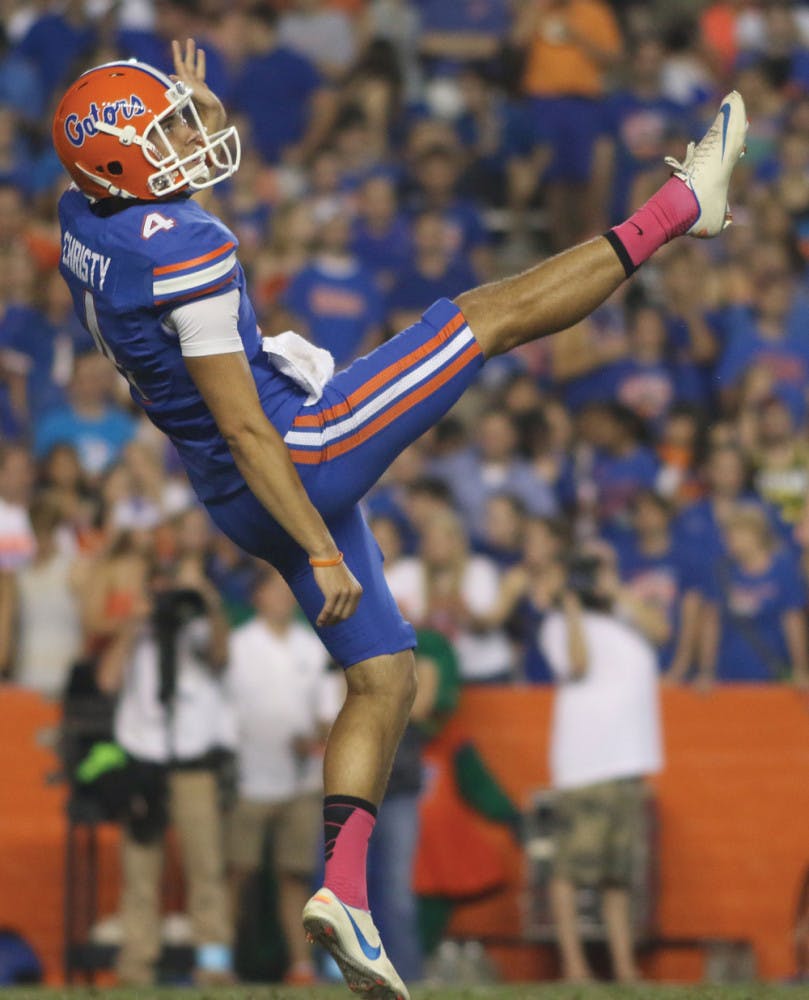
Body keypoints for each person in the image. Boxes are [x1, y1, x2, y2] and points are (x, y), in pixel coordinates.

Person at [51, 38, 746, 999]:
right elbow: (249, 426)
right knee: (480, 317)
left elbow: (157, 211)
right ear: (122, 164)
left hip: (229, 494)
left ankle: (343, 892)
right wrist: (321, 548)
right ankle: (678, 211)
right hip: (296, 457)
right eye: (165, 130)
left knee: (385, 676)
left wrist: (194, 117)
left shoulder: (83, 217)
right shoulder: (187, 254)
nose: (190, 137)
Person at [540, 551, 664, 983]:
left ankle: (624, 969)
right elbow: (577, 663)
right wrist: (571, 607)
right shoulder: (556, 626)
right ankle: (574, 967)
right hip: (584, 764)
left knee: (619, 876)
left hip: (628, 761)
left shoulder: (626, 621)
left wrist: (618, 593)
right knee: (571, 872)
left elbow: (662, 630)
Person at [224, 565, 339, 986]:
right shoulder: (238, 646)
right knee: (239, 871)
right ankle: (218, 961)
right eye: (276, 590)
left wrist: (313, 735)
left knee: (295, 875)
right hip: (249, 777)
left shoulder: (311, 648)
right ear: (257, 596)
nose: (284, 598)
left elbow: (327, 713)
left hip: (301, 780)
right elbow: (228, 709)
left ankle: (303, 965)